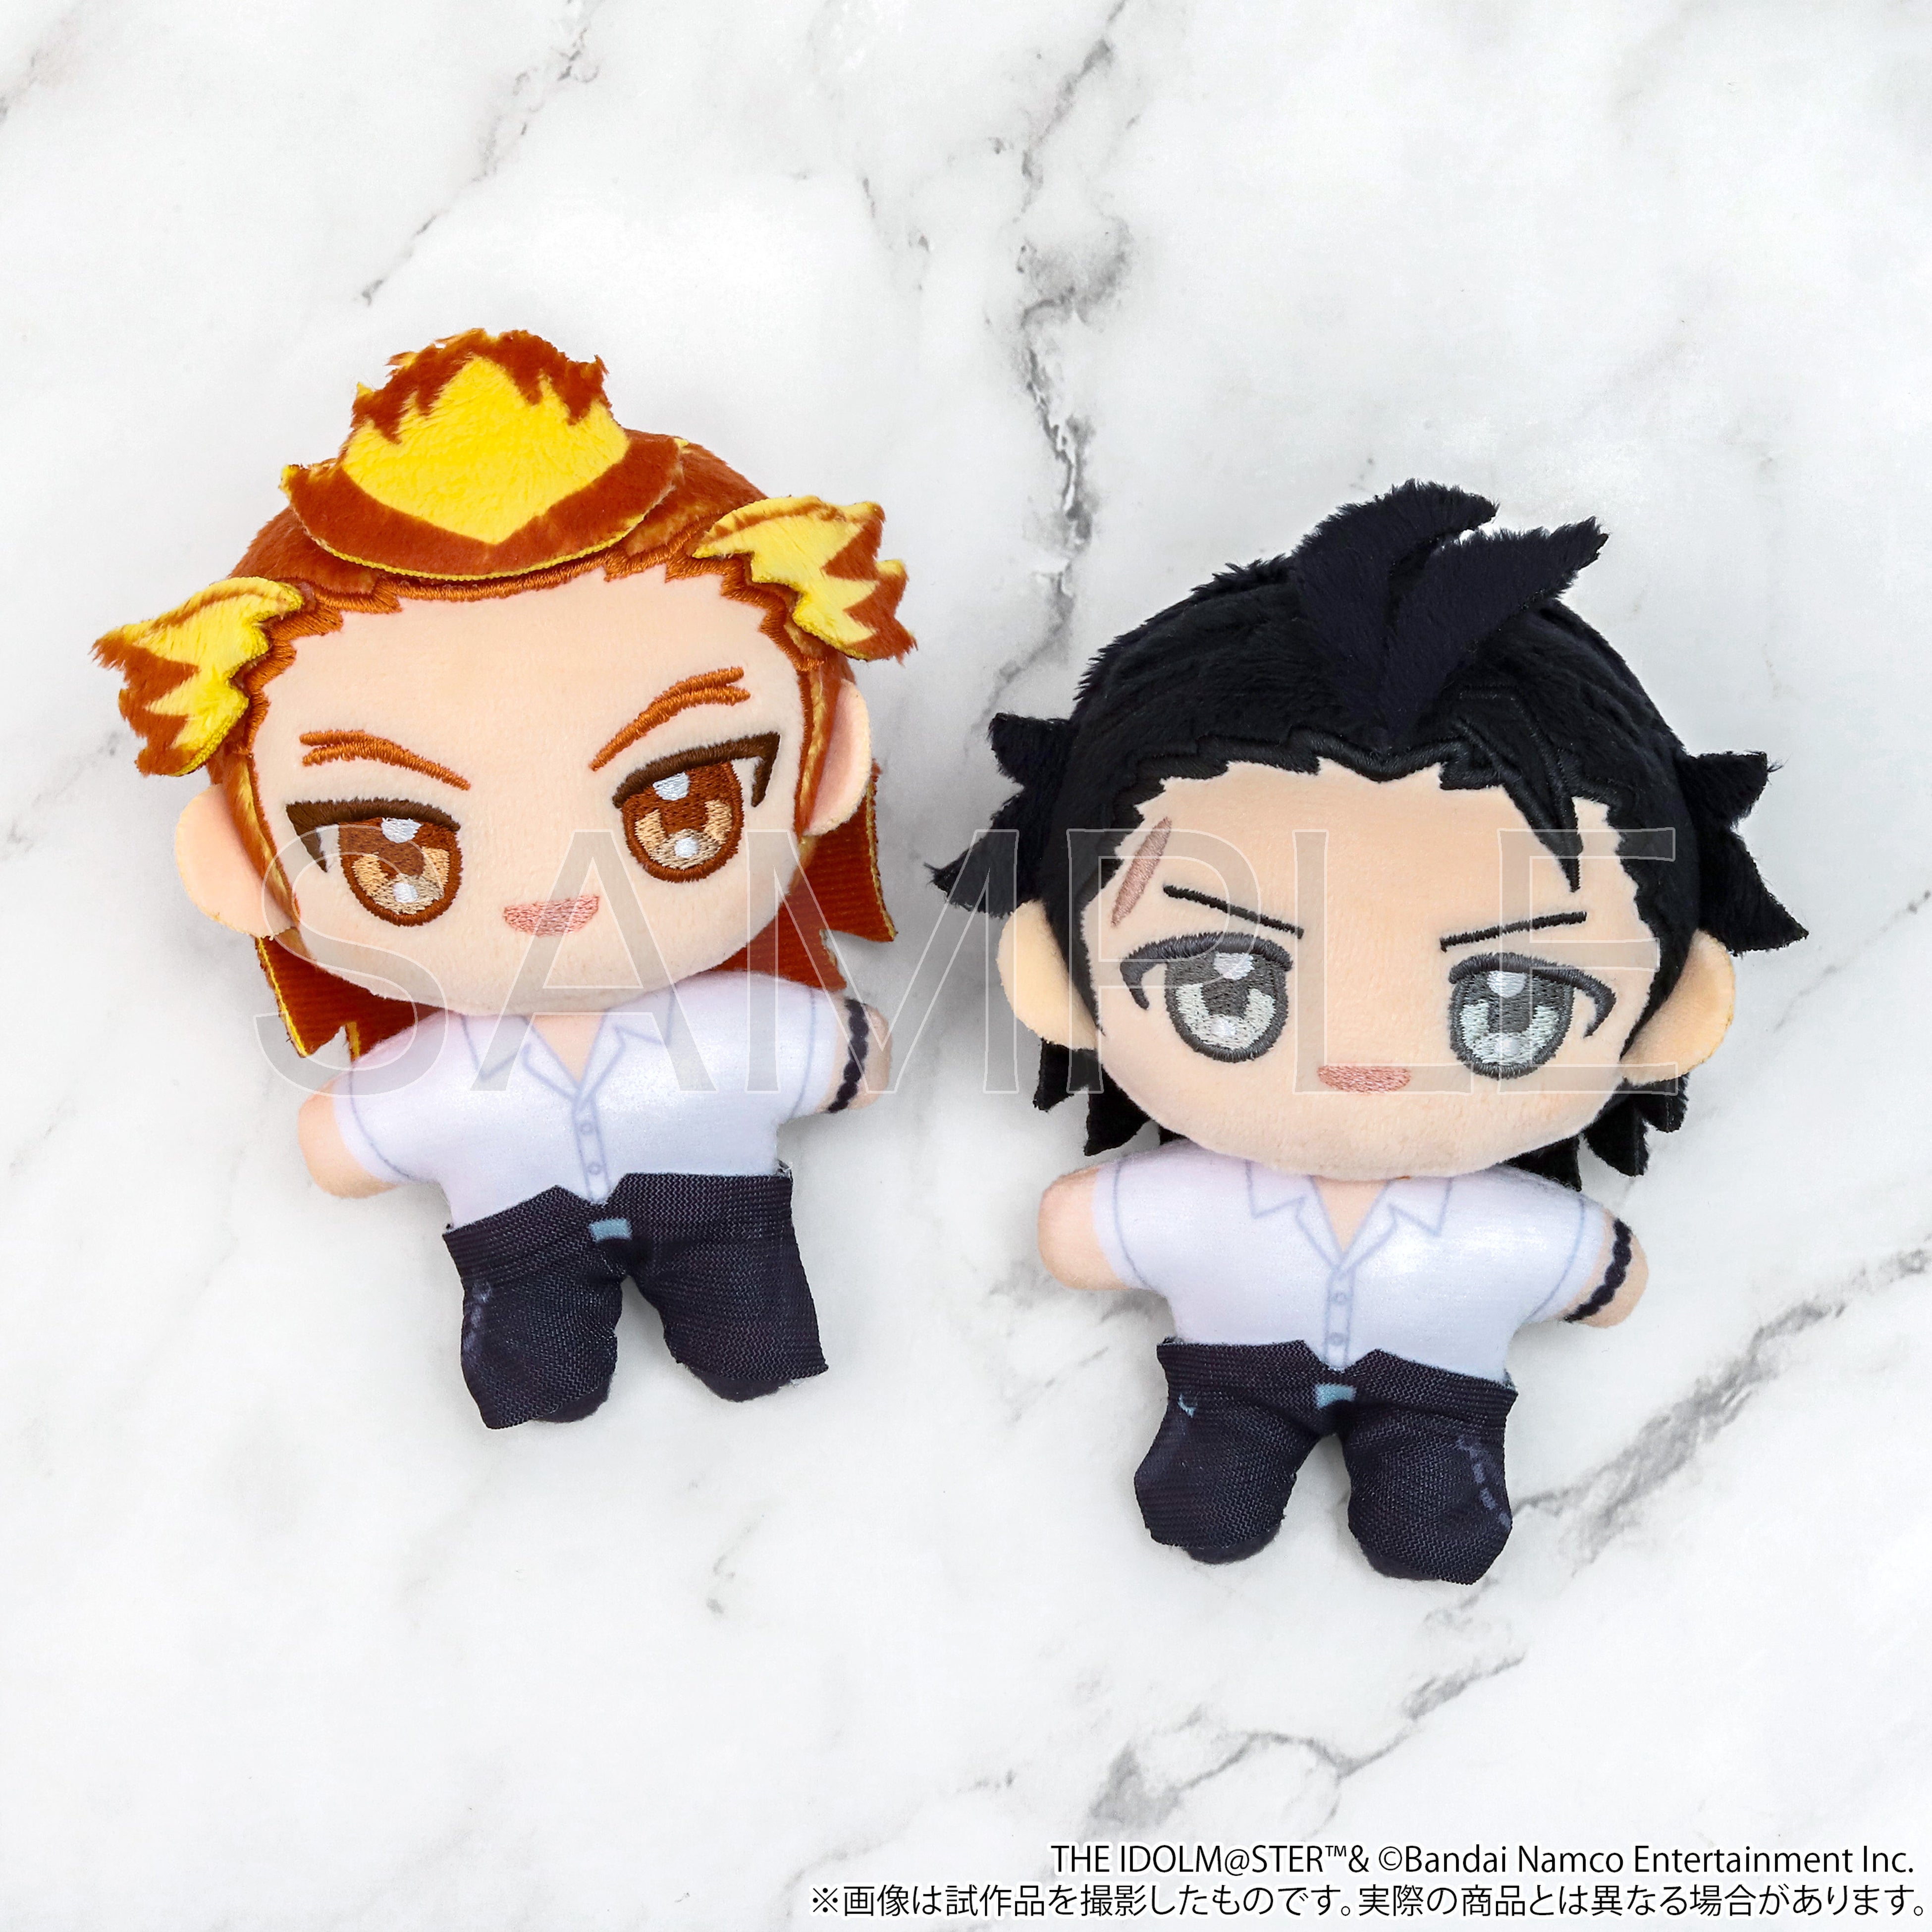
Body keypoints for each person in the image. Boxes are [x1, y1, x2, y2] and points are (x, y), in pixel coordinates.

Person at [937, 481, 1801, 1581]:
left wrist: (1601, 1270)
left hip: (1440, 1389)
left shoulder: (1486, 1222)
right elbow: (1080, 1235)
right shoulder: (1246, 1204)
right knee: (1210, 1495)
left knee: (1433, 1513)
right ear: (1059, 981)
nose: (1362, 1061)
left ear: (1670, 1019)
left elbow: (1080, 1235)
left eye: (1508, 1005)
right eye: (1228, 984)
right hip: (1235, 1375)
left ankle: (1423, 1477)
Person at [98, 328, 913, 1428]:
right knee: (538, 1371)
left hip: (717, 1211)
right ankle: (551, 1380)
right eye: (396, 849)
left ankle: (737, 1348)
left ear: (827, 769)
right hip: (522, 1239)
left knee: (751, 1332)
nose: (553, 888)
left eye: (682, 800)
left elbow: (344, 1148)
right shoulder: (497, 1063)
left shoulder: (679, 1037)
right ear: (239, 871)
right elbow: (850, 1059)